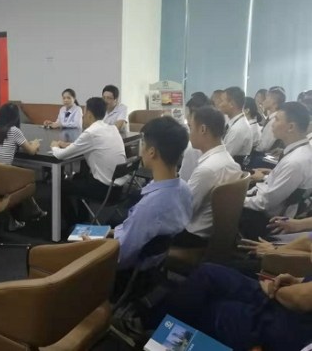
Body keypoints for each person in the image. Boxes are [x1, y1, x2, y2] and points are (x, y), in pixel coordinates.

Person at [140, 261, 312, 351]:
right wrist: (299, 281)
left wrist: (280, 291)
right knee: (207, 274)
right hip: (290, 305)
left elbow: (300, 299)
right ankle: (155, 328)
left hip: (289, 326)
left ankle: (154, 331)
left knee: (209, 306)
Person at [113, 116, 191, 271]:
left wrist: (97, 248)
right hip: (156, 266)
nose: (141, 150)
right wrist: (116, 232)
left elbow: (120, 258)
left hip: (128, 273)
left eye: (143, 144)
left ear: (152, 152)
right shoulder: (184, 189)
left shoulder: (148, 207)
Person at [240, 102, 312, 239]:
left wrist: (238, 199)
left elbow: (265, 203)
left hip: (269, 219)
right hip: (268, 201)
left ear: (291, 127)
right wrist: (265, 177)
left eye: (277, 119)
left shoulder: (295, 162)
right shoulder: (300, 152)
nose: (273, 124)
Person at [51, 97, 126, 225]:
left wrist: (54, 146)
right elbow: (90, 144)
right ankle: (82, 217)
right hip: (119, 189)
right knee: (79, 176)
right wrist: (70, 145)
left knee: (59, 185)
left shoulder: (91, 132)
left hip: (104, 191)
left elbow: (60, 155)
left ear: (90, 115)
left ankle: (72, 222)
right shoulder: (112, 128)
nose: (83, 116)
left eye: (85, 113)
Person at [173, 107, 241, 248]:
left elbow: (184, 210)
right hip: (212, 232)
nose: (189, 133)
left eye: (191, 128)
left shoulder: (207, 170)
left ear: (203, 129)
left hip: (193, 236)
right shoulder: (229, 161)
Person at [0, 103, 42, 231]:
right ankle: (31, 212)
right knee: (25, 179)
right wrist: (35, 144)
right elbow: (31, 151)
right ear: (16, 117)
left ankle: (33, 211)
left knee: (15, 174)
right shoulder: (14, 131)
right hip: (1, 182)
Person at [179, 92, 212, 181]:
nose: (186, 117)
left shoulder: (193, 148)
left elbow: (184, 179)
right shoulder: (215, 139)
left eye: (188, 113)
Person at [218, 86, 253, 159]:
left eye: (221, 101)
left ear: (231, 104)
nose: (219, 104)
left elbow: (224, 156)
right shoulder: (234, 122)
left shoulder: (238, 129)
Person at [256, 87, 285, 153]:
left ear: (273, 102)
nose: (263, 101)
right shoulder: (271, 118)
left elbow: (263, 147)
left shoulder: (274, 121)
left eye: (266, 98)